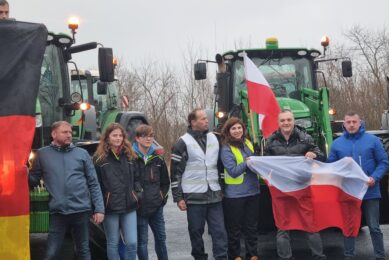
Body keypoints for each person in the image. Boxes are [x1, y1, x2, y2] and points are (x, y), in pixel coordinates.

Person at [29, 121, 104, 260]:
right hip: (58, 212)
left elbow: (94, 183)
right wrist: (19, 170)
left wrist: (99, 208)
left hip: (81, 211)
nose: (69, 135)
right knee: (51, 253)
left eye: (70, 132)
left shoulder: (82, 154)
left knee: (83, 251)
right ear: (54, 134)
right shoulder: (42, 154)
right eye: (65, 132)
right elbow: (33, 180)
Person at [264, 110, 327, 260]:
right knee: (283, 227)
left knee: (310, 224)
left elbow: (321, 155)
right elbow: (265, 162)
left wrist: (314, 154)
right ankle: (285, 257)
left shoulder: (305, 138)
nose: (286, 123)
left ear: (293, 121)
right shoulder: (271, 141)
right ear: (278, 123)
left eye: (289, 120)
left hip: (301, 187)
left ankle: (319, 256)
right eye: (283, 120)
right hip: (281, 189)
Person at [327, 111, 389, 260]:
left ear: (360, 123)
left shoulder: (373, 140)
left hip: (370, 190)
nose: (352, 125)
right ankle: (349, 256)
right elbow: (330, 166)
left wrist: (375, 177)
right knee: (348, 226)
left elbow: (384, 162)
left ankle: (380, 256)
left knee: (374, 227)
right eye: (348, 122)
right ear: (344, 124)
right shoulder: (337, 144)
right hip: (348, 193)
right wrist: (342, 164)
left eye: (354, 122)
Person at [171, 108, 228, 260]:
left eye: (206, 118)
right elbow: (175, 172)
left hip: (215, 195)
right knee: (196, 232)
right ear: (193, 122)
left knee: (219, 232)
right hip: (194, 197)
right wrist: (178, 198)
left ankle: (221, 257)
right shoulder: (182, 143)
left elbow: (220, 166)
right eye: (202, 119)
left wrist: (222, 187)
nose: (207, 121)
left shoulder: (215, 138)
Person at [94, 123, 141, 260]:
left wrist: (137, 194)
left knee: (132, 242)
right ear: (107, 137)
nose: (118, 138)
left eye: (120, 135)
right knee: (113, 243)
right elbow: (95, 185)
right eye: (114, 135)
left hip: (129, 206)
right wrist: (98, 207)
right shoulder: (99, 159)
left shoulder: (130, 156)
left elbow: (137, 179)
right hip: (110, 208)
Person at [220, 117, 260, 260]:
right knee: (234, 229)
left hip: (253, 192)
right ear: (228, 131)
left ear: (243, 129)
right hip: (235, 195)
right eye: (233, 128)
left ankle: (252, 254)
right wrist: (248, 162)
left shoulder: (248, 143)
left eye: (239, 128)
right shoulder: (226, 148)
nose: (237, 131)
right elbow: (233, 171)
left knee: (251, 227)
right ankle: (235, 255)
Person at [133, 124, 170, 260]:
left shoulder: (158, 158)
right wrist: (136, 199)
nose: (148, 139)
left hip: (156, 208)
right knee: (142, 243)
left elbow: (165, 182)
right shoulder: (131, 158)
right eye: (144, 136)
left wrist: (161, 198)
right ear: (137, 138)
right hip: (139, 209)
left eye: (151, 136)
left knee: (161, 239)